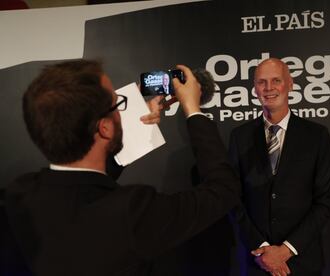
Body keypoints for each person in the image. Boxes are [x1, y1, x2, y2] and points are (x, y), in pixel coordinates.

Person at [5, 59, 240, 276]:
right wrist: (193, 110)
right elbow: (222, 190)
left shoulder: (16, 197)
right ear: (105, 128)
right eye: (118, 103)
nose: (121, 108)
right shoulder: (133, 211)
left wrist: (136, 111)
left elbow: (89, 183)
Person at [229, 58, 330, 276]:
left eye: (276, 80)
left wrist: (286, 250)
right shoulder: (239, 137)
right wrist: (263, 251)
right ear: (254, 88)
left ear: (290, 84)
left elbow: (325, 201)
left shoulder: (316, 136)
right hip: (256, 262)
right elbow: (232, 199)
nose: (269, 88)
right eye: (261, 82)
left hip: (302, 261)